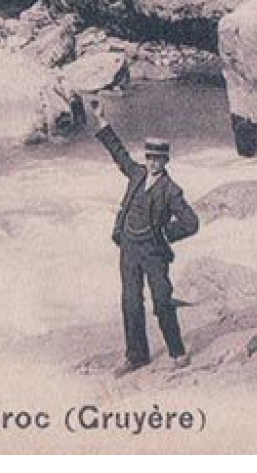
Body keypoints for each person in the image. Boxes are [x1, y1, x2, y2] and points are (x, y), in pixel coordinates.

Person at [76, 93, 200, 374]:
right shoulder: (136, 174)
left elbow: (192, 223)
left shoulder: (172, 190)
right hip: (129, 246)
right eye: (150, 157)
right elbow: (118, 153)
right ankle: (136, 356)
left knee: (162, 302)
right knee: (130, 302)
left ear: (166, 161)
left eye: (158, 159)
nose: (153, 163)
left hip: (154, 252)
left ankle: (178, 352)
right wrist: (102, 120)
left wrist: (167, 234)